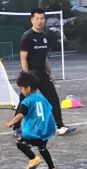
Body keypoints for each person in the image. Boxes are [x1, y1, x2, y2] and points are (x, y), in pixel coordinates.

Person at [19, 8, 75, 136]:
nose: (40, 21)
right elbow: (23, 58)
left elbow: (44, 57)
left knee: (54, 99)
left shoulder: (44, 36)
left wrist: (50, 72)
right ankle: (16, 128)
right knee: (24, 102)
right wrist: (26, 77)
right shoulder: (27, 36)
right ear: (32, 20)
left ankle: (60, 126)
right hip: (31, 76)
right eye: (37, 19)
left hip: (43, 75)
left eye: (42, 18)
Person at [6, 72, 57, 169]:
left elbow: (20, 115)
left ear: (28, 88)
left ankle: (34, 159)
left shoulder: (27, 101)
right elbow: (49, 110)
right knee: (42, 149)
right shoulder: (42, 98)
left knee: (20, 144)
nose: (21, 90)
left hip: (32, 133)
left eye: (22, 88)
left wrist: (11, 122)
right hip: (44, 132)